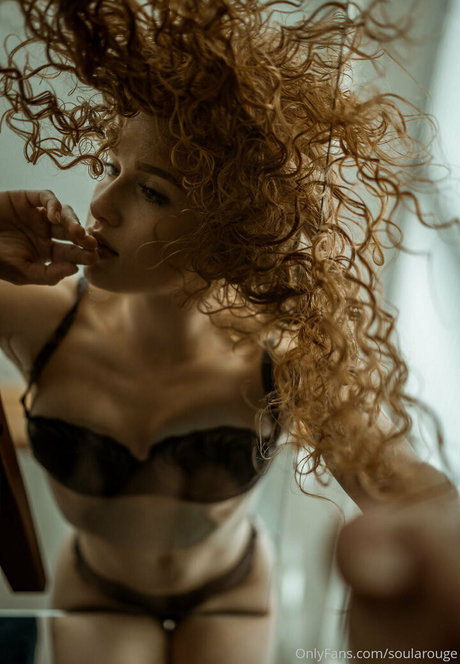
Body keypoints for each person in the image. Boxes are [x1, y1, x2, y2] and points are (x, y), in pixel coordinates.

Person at [0, 1, 458, 662]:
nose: (99, 204)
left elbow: (408, 489)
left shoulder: (286, 358)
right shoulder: (36, 314)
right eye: (111, 167)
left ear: (232, 231)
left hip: (232, 593)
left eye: (152, 192)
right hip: (98, 592)